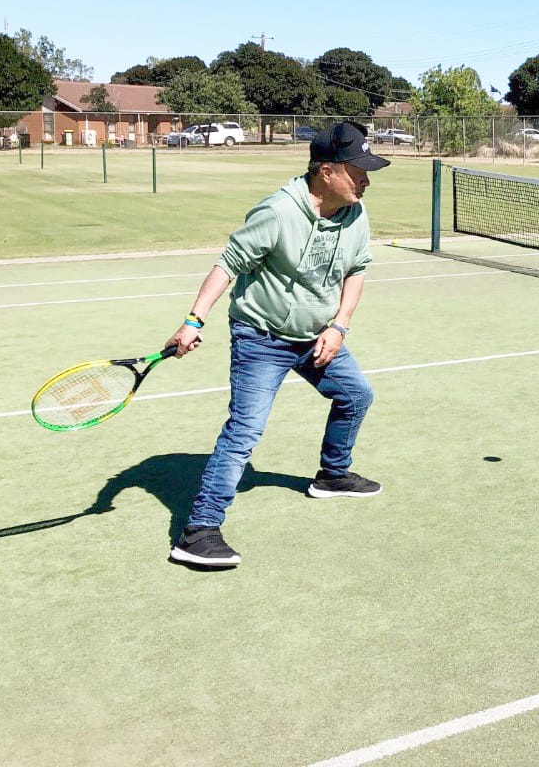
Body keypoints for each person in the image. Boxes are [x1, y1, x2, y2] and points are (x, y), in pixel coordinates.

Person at [167, 122, 390, 568]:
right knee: (244, 431)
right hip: (261, 337)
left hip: (318, 337)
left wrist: (339, 325)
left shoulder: (355, 214)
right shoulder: (277, 212)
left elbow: (356, 271)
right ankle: (198, 532)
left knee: (355, 395)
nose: (366, 179)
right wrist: (194, 320)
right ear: (326, 172)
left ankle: (331, 475)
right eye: (357, 170)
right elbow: (227, 265)